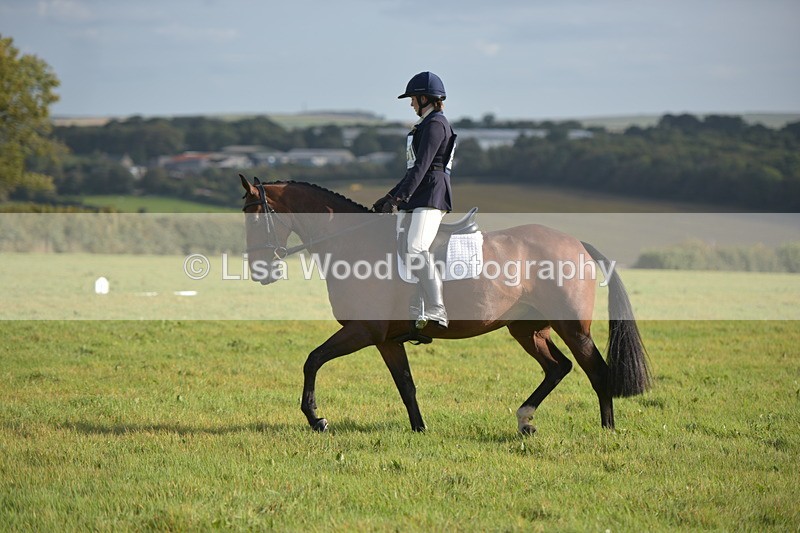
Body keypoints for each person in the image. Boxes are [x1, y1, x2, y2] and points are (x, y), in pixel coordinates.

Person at [372, 71, 457, 329]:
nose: (411, 104)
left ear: (424, 98)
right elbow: (412, 170)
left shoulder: (435, 124)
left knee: (416, 247)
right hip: (420, 192)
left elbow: (422, 167)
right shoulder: (425, 123)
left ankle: (437, 308)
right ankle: (413, 302)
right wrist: (390, 196)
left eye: (412, 99)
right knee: (396, 243)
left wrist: (400, 197)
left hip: (431, 194)